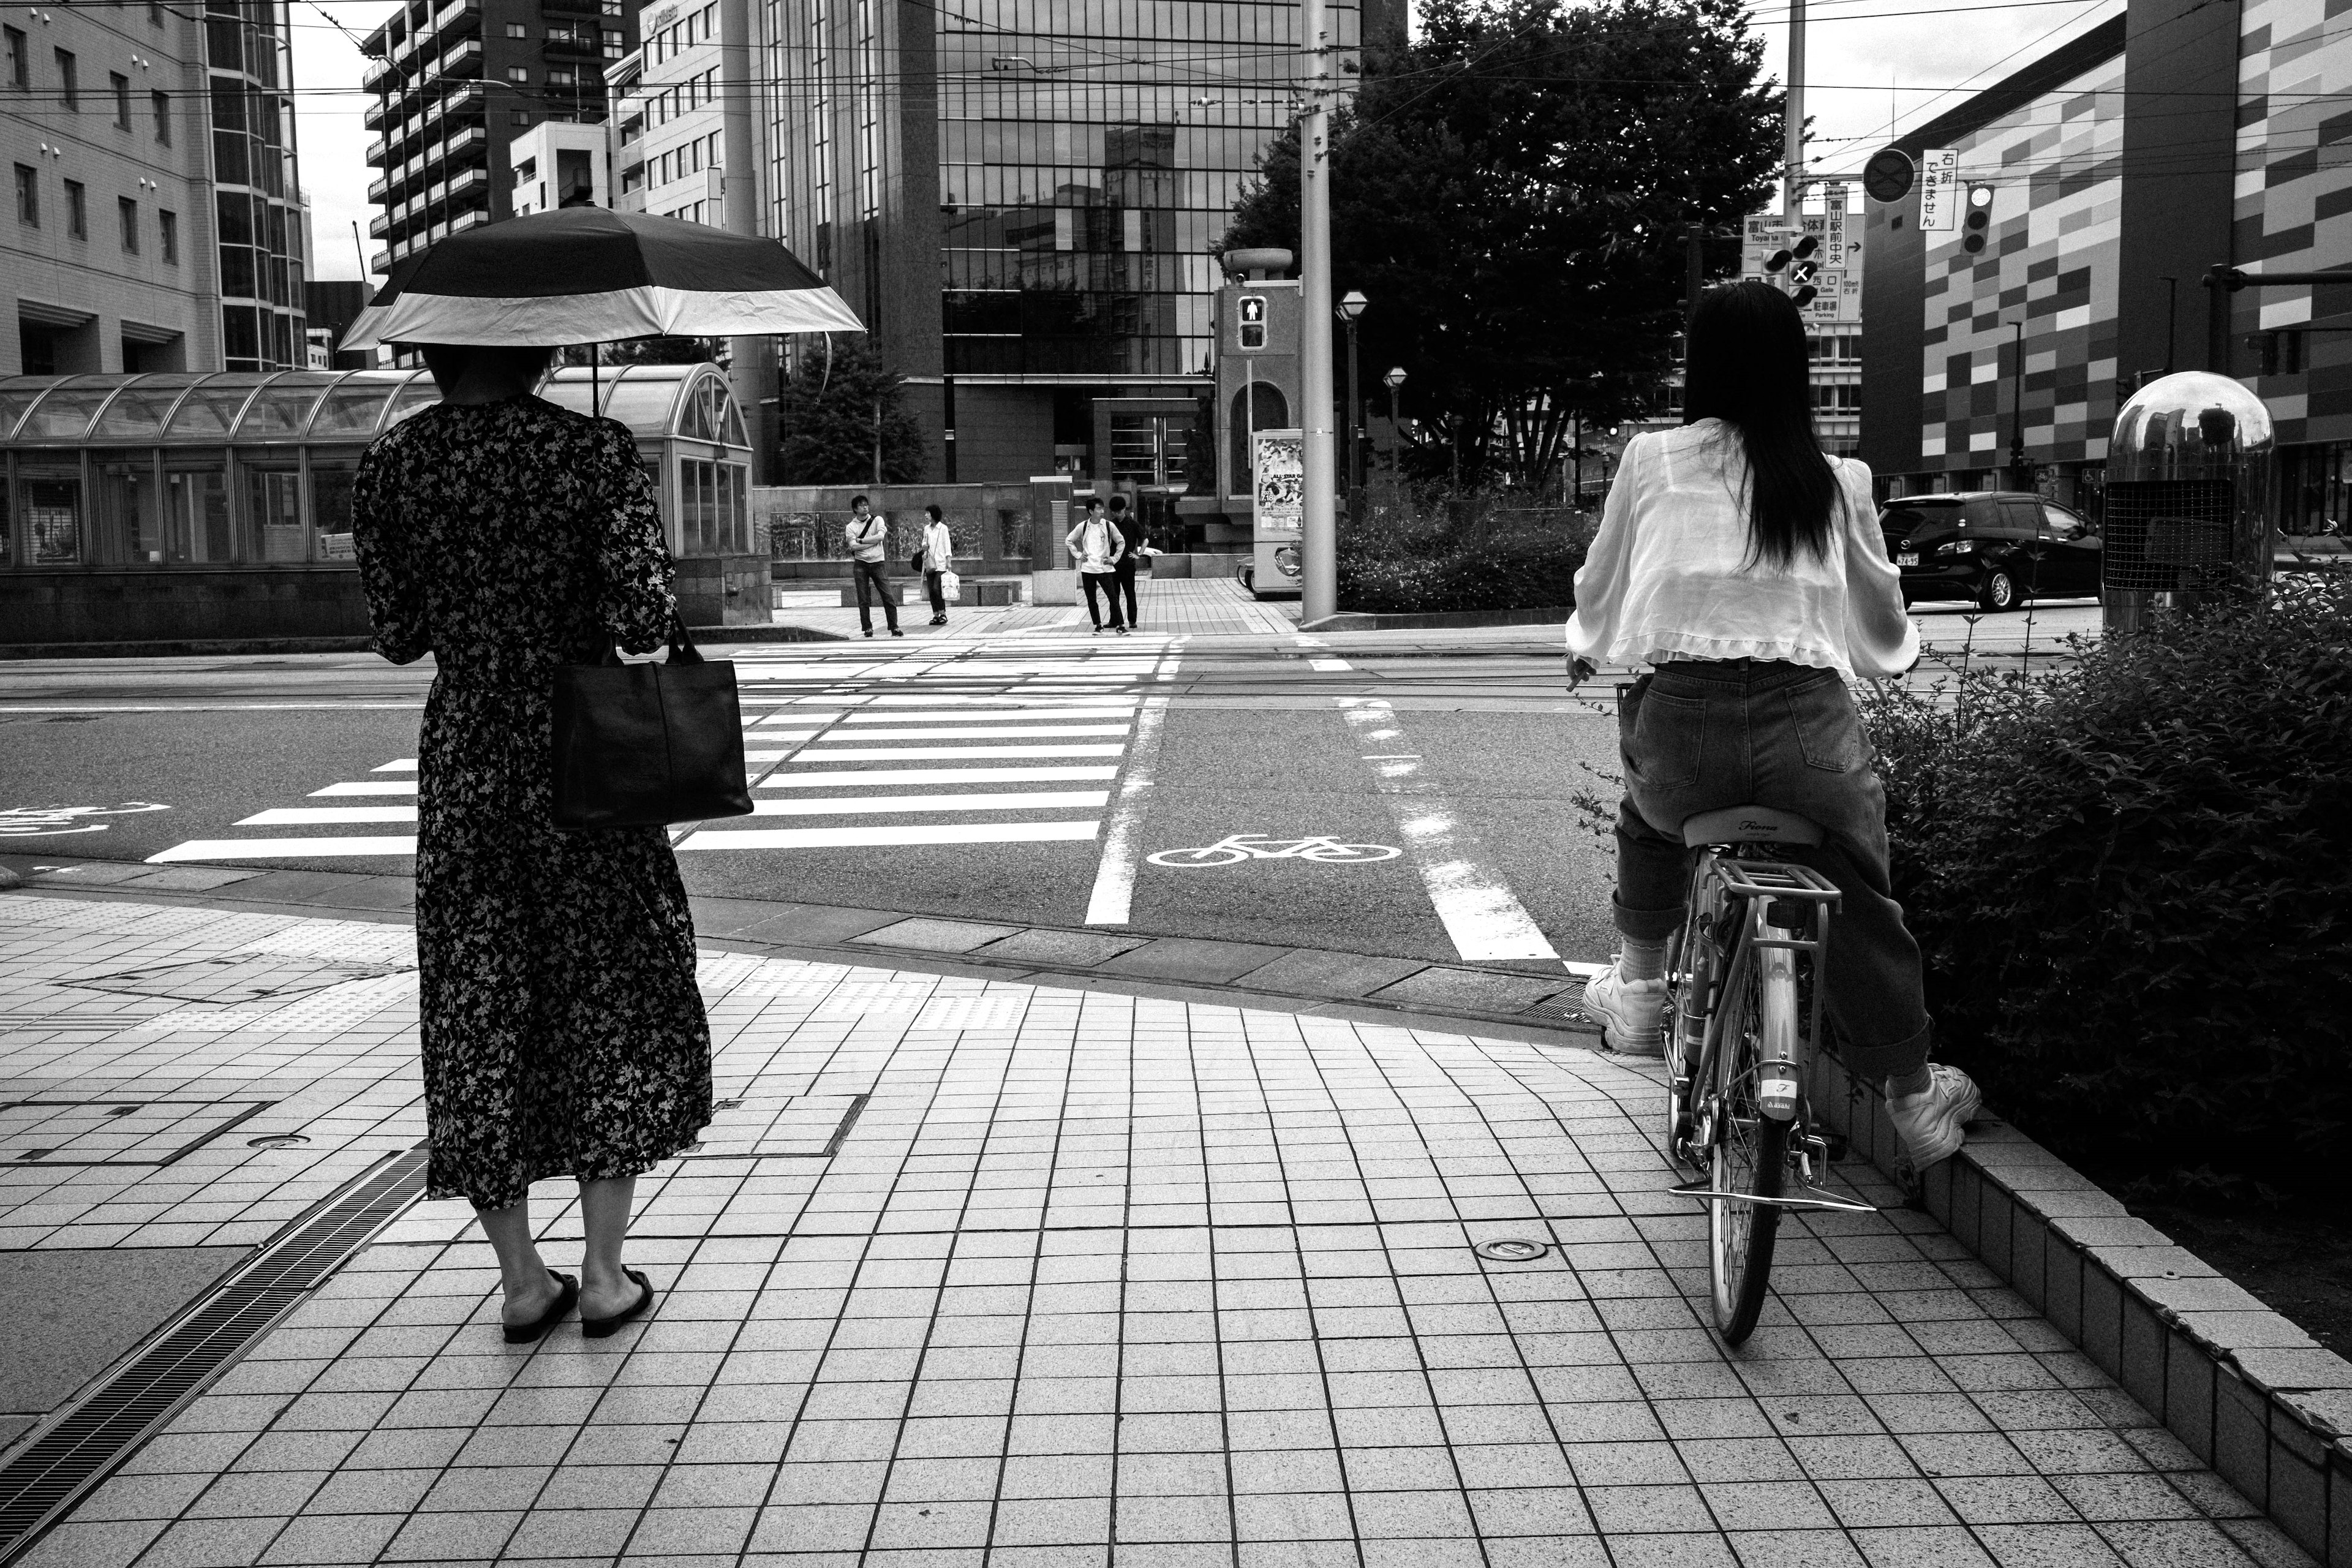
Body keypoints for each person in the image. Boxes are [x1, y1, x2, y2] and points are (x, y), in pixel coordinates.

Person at [1565, 282, 1980, 1170]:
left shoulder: (1653, 461)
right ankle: (1913, 1099)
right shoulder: (1836, 479)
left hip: (1684, 727)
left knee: (1651, 815)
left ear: (1699, 367)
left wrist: (1587, 643)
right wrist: (1892, 656)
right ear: (1797, 369)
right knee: (1860, 897)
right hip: (1809, 733)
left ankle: (1639, 989)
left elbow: (1606, 580)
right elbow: (1877, 615)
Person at [350, 342, 710, 1340]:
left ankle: (520, 1280)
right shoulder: (592, 452)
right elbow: (643, 611)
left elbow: (396, 632)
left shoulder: (392, 464)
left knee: (478, 994)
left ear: (430, 351)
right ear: (542, 348)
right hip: (584, 745)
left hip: (468, 754)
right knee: (608, 983)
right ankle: (602, 1273)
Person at [1066, 494, 1127, 634]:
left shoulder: (1108, 525)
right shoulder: (1084, 526)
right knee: (1091, 599)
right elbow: (1069, 540)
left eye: (1102, 509)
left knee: (1113, 597)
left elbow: (1121, 541)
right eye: (1099, 509)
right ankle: (1098, 625)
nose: (1102, 512)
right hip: (1088, 569)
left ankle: (1120, 625)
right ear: (1091, 511)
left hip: (1104, 568)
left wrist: (1114, 558)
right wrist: (1079, 555)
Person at [845, 495, 903, 638]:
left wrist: (862, 541)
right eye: (861, 505)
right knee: (863, 598)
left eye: (867, 505)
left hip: (878, 562)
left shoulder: (877, 520)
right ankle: (867, 628)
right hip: (861, 564)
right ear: (855, 509)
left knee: (888, 595)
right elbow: (853, 546)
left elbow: (881, 537)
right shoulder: (851, 527)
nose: (865, 507)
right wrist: (871, 543)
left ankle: (894, 627)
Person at [1107, 494, 1145, 630]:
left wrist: (1138, 554)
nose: (1118, 514)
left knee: (1130, 593)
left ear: (1124, 509)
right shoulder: (1110, 525)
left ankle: (1132, 620)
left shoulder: (1132, 524)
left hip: (1128, 565)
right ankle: (1114, 620)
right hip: (1114, 564)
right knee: (1113, 593)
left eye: (1120, 511)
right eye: (1115, 512)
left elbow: (1144, 539)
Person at [918, 503, 955, 627]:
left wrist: (948, 560)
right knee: (931, 591)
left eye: (928, 513)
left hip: (941, 564)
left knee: (936, 588)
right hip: (930, 564)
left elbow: (947, 544)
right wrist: (924, 546)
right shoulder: (926, 529)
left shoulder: (943, 528)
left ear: (933, 514)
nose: (926, 515)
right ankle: (936, 615)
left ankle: (943, 613)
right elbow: (924, 541)